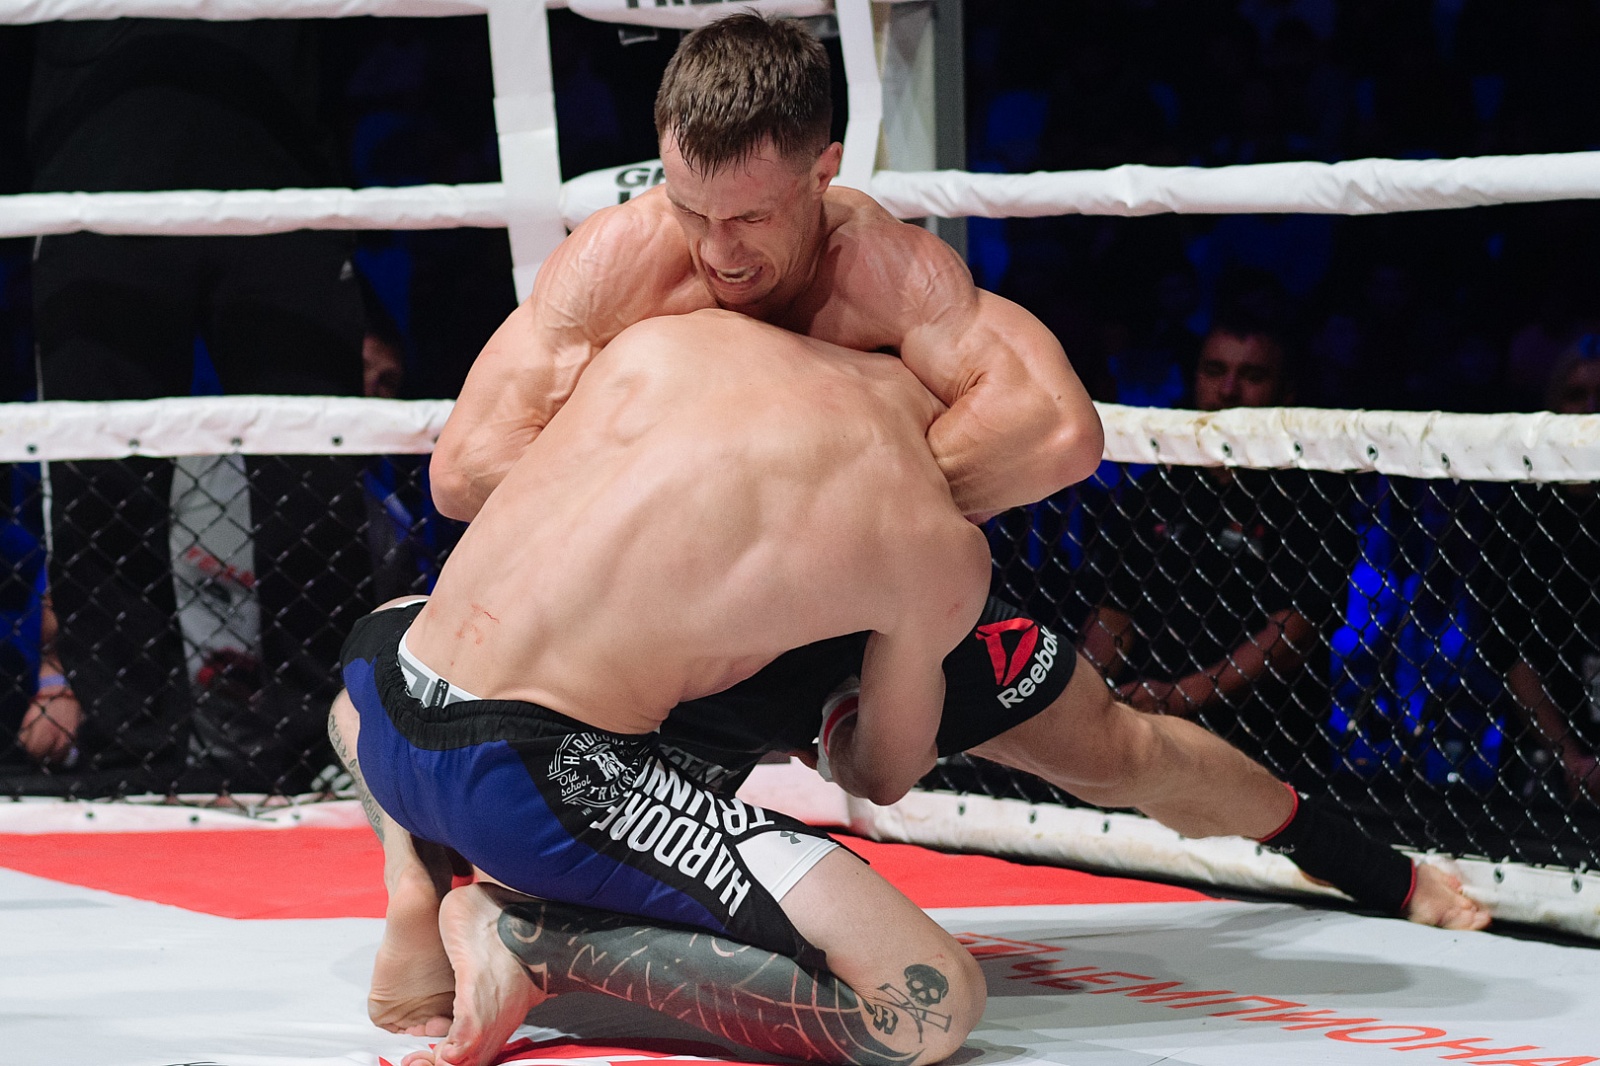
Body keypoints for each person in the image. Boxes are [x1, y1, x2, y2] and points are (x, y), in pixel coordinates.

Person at [430, 13, 1484, 941]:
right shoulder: (622, 262)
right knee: (421, 679)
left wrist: (829, 531)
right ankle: (444, 917)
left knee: (1110, 747)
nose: (719, 253)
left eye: (749, 218)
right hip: (686, 622)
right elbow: (467, 468)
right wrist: (695, 529)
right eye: (692, 210)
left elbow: (1056, 429)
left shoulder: (882, 273)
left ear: (822, 171)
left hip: (868, 606)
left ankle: (1374, 870)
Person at [334, 309, 991, 1066]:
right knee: (926, 1007)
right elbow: (878, 775)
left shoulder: (674, 340)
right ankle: (529, 941)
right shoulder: (934, 540)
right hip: (530, 781)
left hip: (385, 693)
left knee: (403, 626)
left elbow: (459, 480)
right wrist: (851, 704)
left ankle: (410, 873)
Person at [25, 19, 372, 793]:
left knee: (312, 474)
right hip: (95, 178)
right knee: (101, 476)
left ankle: (327, 737)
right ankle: (131, 751)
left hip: (281, 175)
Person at [1079, 317, 1355, 788]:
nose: (1228, 390)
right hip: (1148, 740)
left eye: (1252, 376)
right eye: (1214, 370)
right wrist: (1082, 704)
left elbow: (1292, 636)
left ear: (1285, 392)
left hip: (1267, 750)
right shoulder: (1157, 489)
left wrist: (1180, 697)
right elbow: (1113, 614)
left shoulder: (1311, 499)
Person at [1475, 340, 1600, 803]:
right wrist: (1571, 756)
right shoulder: (1521, 516)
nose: (1590, 411)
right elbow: (1509, 651)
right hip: (1541, 757)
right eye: (1576, 396)